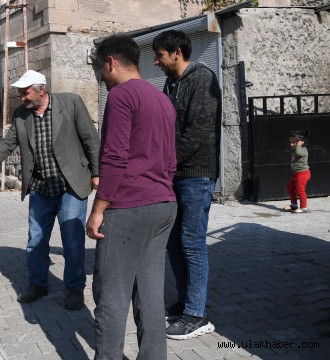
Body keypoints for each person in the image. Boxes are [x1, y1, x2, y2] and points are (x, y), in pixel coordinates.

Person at [86, 35, 178, 360]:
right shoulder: (162, 99)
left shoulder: (121, 95)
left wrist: (98, 209)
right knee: (151, 294)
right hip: (164, 205)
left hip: (129, 207)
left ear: (111, 61)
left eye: (101, 69)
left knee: (111, 294)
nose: (102, 77)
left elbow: (113, 157)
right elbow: (170, 161)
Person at [0, 70, 100, 310]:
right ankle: (38, 284)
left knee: (72, 240)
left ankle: (74, 288)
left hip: (71, 186)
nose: (22, 98)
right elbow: (9, 143)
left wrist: (97, 173)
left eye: (26, 93)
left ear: (41, 90)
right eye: (20, 93)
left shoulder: (71, 103)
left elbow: (91, 139)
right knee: (36, 239)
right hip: (41, 187)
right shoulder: (21, 114)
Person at [153, 29, 221, 339]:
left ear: (177, 53)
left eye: (160, 55)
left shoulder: (202, 78)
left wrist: (165, 163)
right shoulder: (172, 82)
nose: (156, 61)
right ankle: (185, 303)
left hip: (195, 175)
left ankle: (197, 315)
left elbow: (198, 132)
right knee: (173, 243)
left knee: (192, 244)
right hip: (175, 175)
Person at [283, 131, 310, 213]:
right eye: (290, 142)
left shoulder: (303, 150)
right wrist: (296, 145)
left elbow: (298, 153)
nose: (291, 144)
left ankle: (303, 207)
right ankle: (294, 205)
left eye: (294, 142)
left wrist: (298, 145)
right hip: (296, 174)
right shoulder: (295, 150)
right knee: (290, 188)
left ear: (301, 143)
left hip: (303, 173)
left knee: (300, 190)